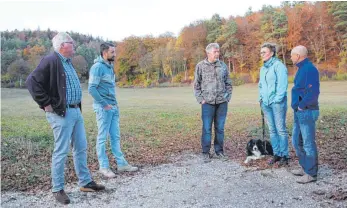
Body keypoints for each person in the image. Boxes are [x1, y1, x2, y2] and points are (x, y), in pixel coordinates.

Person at [26, 32, 105, 205]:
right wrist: (45, 103)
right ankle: (58, 189)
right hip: (61, 114)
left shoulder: (68, 62)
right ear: (62, 45)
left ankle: (85, 183)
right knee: (61, 151)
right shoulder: (51, 60)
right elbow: (31, 82)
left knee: (81, 148)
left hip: (76, 112)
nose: (74, 45)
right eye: (71, 42)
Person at [88, 42, 138, 178]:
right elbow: (91, 89)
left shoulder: (109, 67)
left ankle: (122, 164)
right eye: (112, 52)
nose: (115, 54)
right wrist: (104, 104)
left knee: (115, 137)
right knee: (102, 138)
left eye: (114, 52)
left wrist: (114, 105)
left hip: (113, 107)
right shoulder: (97, 67)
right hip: (103, 108)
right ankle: (103, 167)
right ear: (104, 53)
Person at [193, 43, 233, 162]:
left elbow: (228, 83)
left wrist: (227, 97)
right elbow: (196, 85)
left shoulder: (223, 66)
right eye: (215, 52)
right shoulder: (200, 66)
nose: (217, 54)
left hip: (222, 102)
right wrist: (201, 99)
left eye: (218, 51)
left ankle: (219, 151)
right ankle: (205, 152)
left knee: (220, 128)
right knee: (206, 128)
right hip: (207, 103)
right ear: (208, 53)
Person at [290, 45, 320, 184]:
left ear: (298, 55)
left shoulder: (310, 69)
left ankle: (311, 174)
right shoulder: (302, 69)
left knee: (308, 143)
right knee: (297, 141)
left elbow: (313, 92)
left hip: (306, 111)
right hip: (299, 111)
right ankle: (305, 167)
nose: (290, 57)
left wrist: (302, 105)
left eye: (292, 55)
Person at [258, 42, 289, 166]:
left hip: (277, 103)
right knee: (272, 130)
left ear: (271, 53)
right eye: (261, 52)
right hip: (265, 103)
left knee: (280, 129)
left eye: (264, 52)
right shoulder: (263, 68)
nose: (262, 55)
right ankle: (277, 154)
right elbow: (260, 85)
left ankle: (284, 155)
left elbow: (282, 85)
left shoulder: (279, 66)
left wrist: (277, 99)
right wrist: (261, 99)